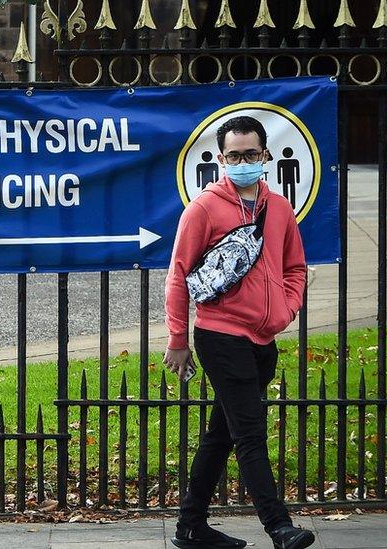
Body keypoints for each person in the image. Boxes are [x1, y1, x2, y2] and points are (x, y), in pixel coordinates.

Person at [163, 116, 313, 549]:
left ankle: (190, 527)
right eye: (234, 155)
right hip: (221, 336)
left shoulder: (279, 208)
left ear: (265, 156)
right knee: (250, 432)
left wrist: (285, 309)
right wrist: (178, 339)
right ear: (220, 158)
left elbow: (295, 267)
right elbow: (178, 275)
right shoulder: (204, 208)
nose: (243, 161)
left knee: (220, 436)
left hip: (263, 341)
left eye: (251, 154)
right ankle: (278, 526)